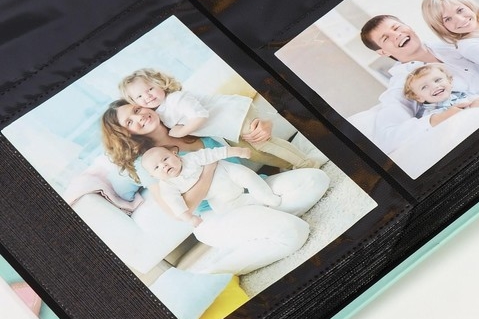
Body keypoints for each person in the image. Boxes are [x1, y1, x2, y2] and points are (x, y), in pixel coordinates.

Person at [101, 100, 330, 268]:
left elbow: (240, 126)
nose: (139, 117)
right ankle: (227, 262)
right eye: (129, 122)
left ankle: (263, 222)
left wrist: (264, 126)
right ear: (126, 134)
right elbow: (178, 211)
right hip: (215, 215)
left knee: (316, 179)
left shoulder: (191, 123)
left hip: (251, 188)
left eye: (137, 110)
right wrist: (208, 169)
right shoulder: (148, 162)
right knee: (294, 233)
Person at [359, 15, 479, 153]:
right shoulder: (402, 82)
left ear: (408, 26)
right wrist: (445, 116)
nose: (396, 35)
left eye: (397, 28)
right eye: (386, 38)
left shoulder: (451, 44)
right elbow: (387, 137)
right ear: (383, 52)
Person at [119, 67, 320, 170]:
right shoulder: (162, 111)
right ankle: (298, 162)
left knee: (266, 144)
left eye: (150, 89)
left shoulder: (176, 99)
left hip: (234, 115)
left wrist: (181, 131)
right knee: (262, 147)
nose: (147, 96)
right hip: (230, 124)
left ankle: (305, 163)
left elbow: (200, 115)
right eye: (140, 96)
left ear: (160, 83)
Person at [141, 144, 283, 227]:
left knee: (247, 176)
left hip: (227, 172)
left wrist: (238, 151)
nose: (163, 165)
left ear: (175, 155)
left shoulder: (191, 159)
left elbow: (213, 153)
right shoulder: (167, 186)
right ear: (154, 176)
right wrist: (189, 218)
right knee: (225, 210)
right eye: (156, 167)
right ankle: (257, 204)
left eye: (165, 159)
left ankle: (266, 196)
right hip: (216, 195)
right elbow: (175, 204)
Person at [402, 63, 479, 127]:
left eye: (437, 80)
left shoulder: (462, 94)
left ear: (449, 81)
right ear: (419, 98)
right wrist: (473, 108)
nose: (435, 86)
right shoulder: (432, 114)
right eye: (424, 87)